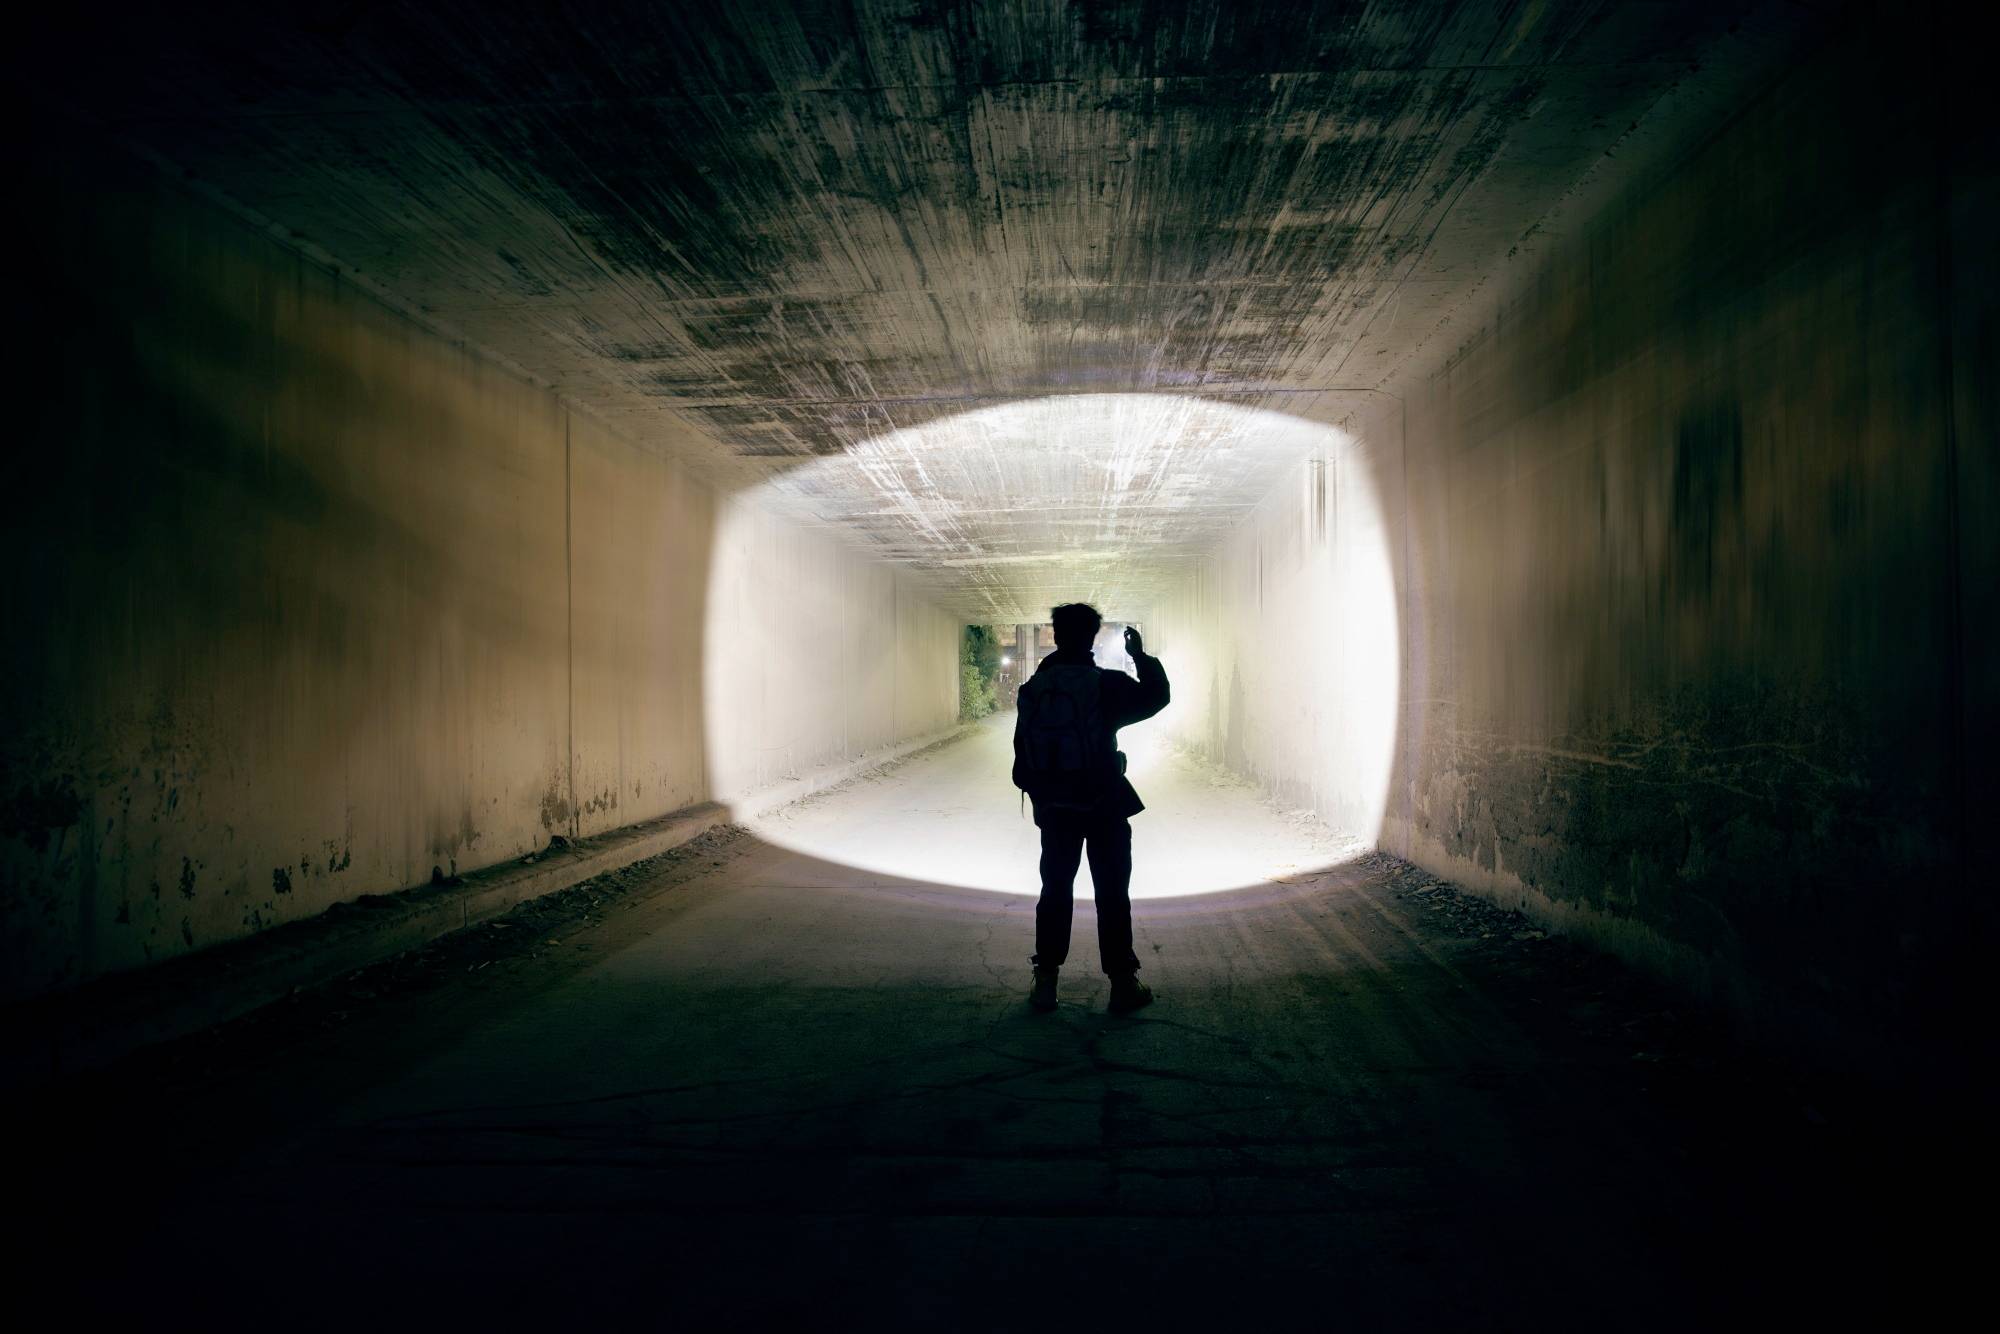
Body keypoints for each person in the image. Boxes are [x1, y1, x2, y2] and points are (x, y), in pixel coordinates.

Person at [1011, 603, 1170, 1013]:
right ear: (1093, 637)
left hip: (1057, 812)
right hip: (1103, 807)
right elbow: (1156, 697)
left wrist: (1047, 795)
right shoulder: (1105, 686)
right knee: (1112, 894)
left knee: (1055, 891)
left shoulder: (1034, 689)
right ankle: (1122, 986)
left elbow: (1020, 764)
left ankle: (1045, 983)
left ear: (1056, 635)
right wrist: (1139, 656)